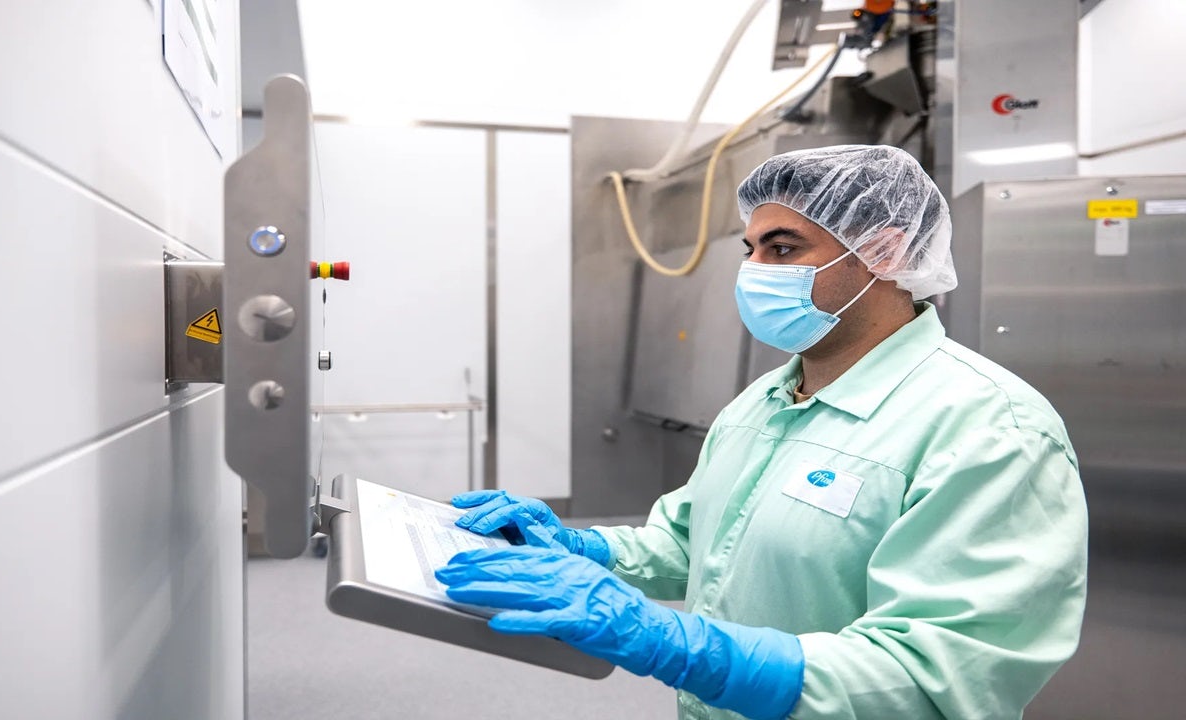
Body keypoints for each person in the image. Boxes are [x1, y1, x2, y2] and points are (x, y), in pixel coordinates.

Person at [435, 145, 1087, 720]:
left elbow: (935, 677)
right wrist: (584, 549)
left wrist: (686, 649)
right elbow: (692, 543)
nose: (753, 271)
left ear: (884, 252)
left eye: (783, 248)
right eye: (750, 250)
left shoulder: (990, 427)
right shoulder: (764, 401)